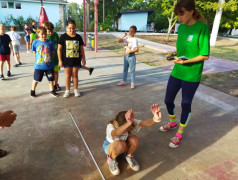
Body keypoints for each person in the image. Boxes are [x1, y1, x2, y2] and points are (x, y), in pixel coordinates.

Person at [159, 0, 210, 148]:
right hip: (177, 71)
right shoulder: (181, 28)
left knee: (185, 103)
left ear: (191, 11)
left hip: (191, 74)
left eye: (182, 13)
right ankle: (173, 122)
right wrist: (174, 54)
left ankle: (179, 134)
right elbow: (183, 50)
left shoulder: (202, 28)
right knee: (168, 100)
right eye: (177, 14)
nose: (179, 17)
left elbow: (204, 55)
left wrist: (185, 62)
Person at [103, 104, 162, 175]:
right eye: (126, 127)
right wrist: (128, 123)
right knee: (120, 144)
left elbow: (146, 123)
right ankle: (111, 159)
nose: (127, 129)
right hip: (111, 147)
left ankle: (129, 156)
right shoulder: (110, 126)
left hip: (123, 147)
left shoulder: (130, 123)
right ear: (116, 124)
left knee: (134, 139)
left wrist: (155, 119)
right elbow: (116, 133)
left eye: (127, 127)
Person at [58, 19, 93, 98]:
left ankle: (76, 90)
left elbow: (81, 49)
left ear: (75, 28)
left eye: (73, 28)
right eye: (70, 28)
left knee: (75, 75)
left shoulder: (78, 37)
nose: (72, 30)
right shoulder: (63, 37)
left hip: (76, 60)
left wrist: (84, 59)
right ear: (66, 27)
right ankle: (67, 91)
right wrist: (60, 60)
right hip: (66, 60)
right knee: (67, 75)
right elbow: (59, 49)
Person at [31, 26, 58, 97]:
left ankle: (52, 90)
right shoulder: (35, 42)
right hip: (39, 66)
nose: (44, 35)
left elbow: (53, 52)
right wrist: (38, 58)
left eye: (45, 34)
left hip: (49, 66)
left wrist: (49, 59)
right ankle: (33, 90)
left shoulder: (50, 42)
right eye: (42, 34)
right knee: (36, 79)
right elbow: (34, 51)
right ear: (38, 34)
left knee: (51, 79)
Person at [43, 21, 62, 91]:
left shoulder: (55, 35)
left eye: (51, 31)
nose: (50, 33)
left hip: (56, 58)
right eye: (48, 31)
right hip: (48, 59)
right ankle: (51, 86)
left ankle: (56, 84)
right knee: (50, 73)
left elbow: (59, 45)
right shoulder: (44, 37)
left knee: (56, 72)